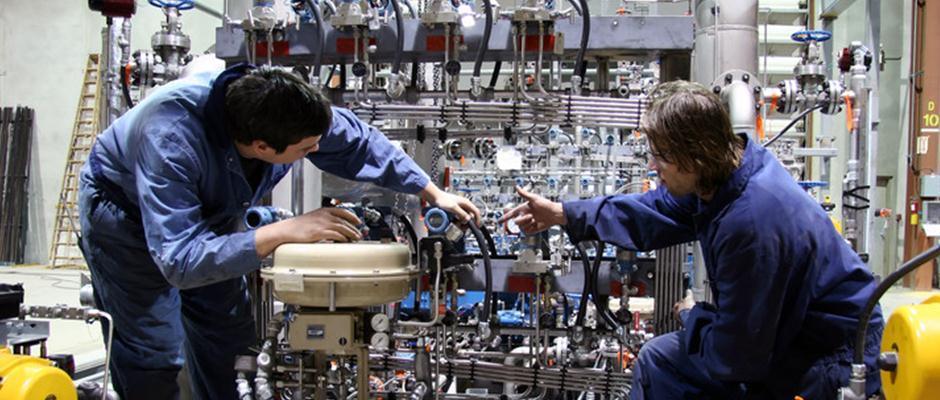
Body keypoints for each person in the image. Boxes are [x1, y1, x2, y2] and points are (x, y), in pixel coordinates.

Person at [78, 64, 480, 400]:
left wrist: (431, 191)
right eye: (306, 151)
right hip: (124, 217)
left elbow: (359, 144)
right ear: (261, 146)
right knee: (153, 351)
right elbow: (180, 260)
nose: (315, 152)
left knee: (230, 342)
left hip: (211, 218)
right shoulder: (171, 137)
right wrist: (286, 231)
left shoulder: (286, 109)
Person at [500, 81, 883, 399]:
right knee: (662, 357)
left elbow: (736, 358)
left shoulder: (749, 222)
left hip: (828, 357)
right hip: (790, 333)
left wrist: (692, 316)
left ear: (694, 156)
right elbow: (653, 211)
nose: (653, 167)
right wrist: (564, 213)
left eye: (660, 157)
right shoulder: (727, 177)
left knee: (662, 363)